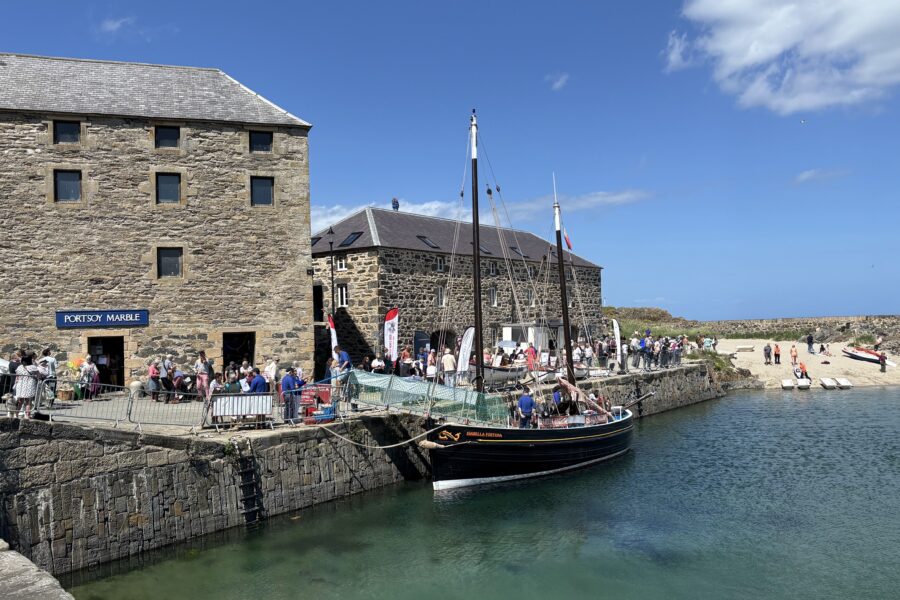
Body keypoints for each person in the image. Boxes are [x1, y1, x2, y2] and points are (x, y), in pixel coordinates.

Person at [14, 353, 47, 418]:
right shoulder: (32, 367)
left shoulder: (19, 367)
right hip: (29, 385)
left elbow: (17, 376)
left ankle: (16, 414)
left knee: (20, 401)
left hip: (21, 385)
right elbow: (39, 376)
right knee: (28, 401)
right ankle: (27, 415)